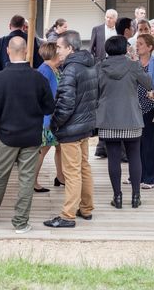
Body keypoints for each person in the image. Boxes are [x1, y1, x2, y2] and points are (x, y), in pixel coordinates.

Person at [0, 37, 55, 234]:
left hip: (6, 137)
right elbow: (49, 107)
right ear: (27, 53)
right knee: (27, 180)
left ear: (8, 52)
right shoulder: (39, 78)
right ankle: (20, 222)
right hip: (31, 137)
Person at [44, 30, 98, 228]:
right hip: (85, 126)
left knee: (72, 172)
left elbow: (65, 103)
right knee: (84, 168)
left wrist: (55, 123)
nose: (56, 50)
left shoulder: (70, 69)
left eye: (59, 46)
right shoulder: (90, 65)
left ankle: (68, 215)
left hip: (71, 129)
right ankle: (86, 208)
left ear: (70, 48)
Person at [96, 36, 151, 209]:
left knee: (113, 158)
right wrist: (137, 64)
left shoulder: (99, 67)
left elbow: (95, 90)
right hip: (131, 117)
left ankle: (117, 197)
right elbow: (149, 84)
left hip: (107, 117)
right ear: (125, 49)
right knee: (135, 156)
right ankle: (136, 197)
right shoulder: (133, 66)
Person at [33, 42, 65, 191]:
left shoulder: (54, 69)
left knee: (60, 148)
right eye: (59, 52)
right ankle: (33, 182)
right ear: (53, 54)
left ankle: (60, 176)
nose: (61, 55)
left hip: (55, 117)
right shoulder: (45, 70)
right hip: (47, 118)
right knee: (43, 150)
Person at [136, 34, 154, 189]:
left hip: (150, 108)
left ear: (150, 47)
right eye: (137, 43)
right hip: (134, 109)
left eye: (141, 44)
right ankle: (137, 175)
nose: (137, 46)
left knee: (149, 144)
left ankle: (151, 178)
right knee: (135, 144)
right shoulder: (133, 63)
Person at [0, 15, 43, 79]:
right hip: (28, 80)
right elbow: (39, 64)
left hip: (5, 81)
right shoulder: (32, 41)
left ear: (9, 26)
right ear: (23, 27)